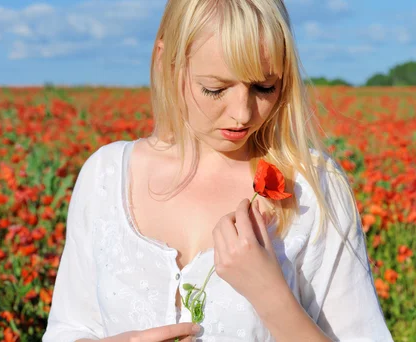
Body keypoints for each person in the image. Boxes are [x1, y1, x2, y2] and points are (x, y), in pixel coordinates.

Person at [42, 0, 393, 341]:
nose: (242, 113)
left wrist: (272, 297)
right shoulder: (105, 176)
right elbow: (68, 328)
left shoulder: (313, 187)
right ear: (166, 61)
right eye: (215, 88)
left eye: (264, 87)